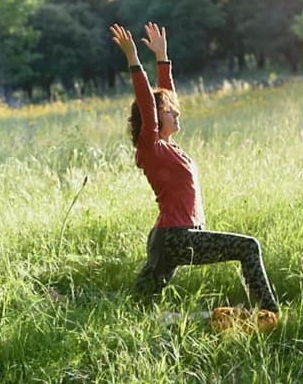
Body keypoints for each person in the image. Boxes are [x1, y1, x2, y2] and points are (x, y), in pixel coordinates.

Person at [109, 22, 279, 314]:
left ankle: (182, 322)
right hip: (175, 237)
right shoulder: (151, 148)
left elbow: (164, 97)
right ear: (155, 118)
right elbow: (150, 104)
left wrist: (163, 58)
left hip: (174, 237)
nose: (176, 113)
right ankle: (270, 313)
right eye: (169, 111)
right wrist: (134, 60)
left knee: (138, 310)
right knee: (248, 246)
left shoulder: (170, 148)